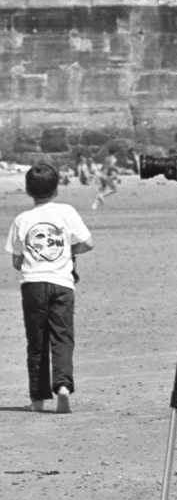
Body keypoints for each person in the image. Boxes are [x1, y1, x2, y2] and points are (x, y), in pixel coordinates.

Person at [10, 162, 91, 413]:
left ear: (28, 191)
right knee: (62, 337)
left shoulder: (22, 220)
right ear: (56, 190)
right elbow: (88, 242)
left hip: (33, 285)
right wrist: (68, 251)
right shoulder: (66, 212)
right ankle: (63, 386)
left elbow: (16, 260)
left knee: (36, 341)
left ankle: (37, 397)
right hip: (62, 284)